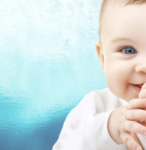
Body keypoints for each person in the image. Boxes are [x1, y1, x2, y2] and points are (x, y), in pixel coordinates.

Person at [52, 0, 146, 150]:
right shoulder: (97, 105)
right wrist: (109, 127)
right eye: (128, 50)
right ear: (103, 58)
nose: (144, 66)